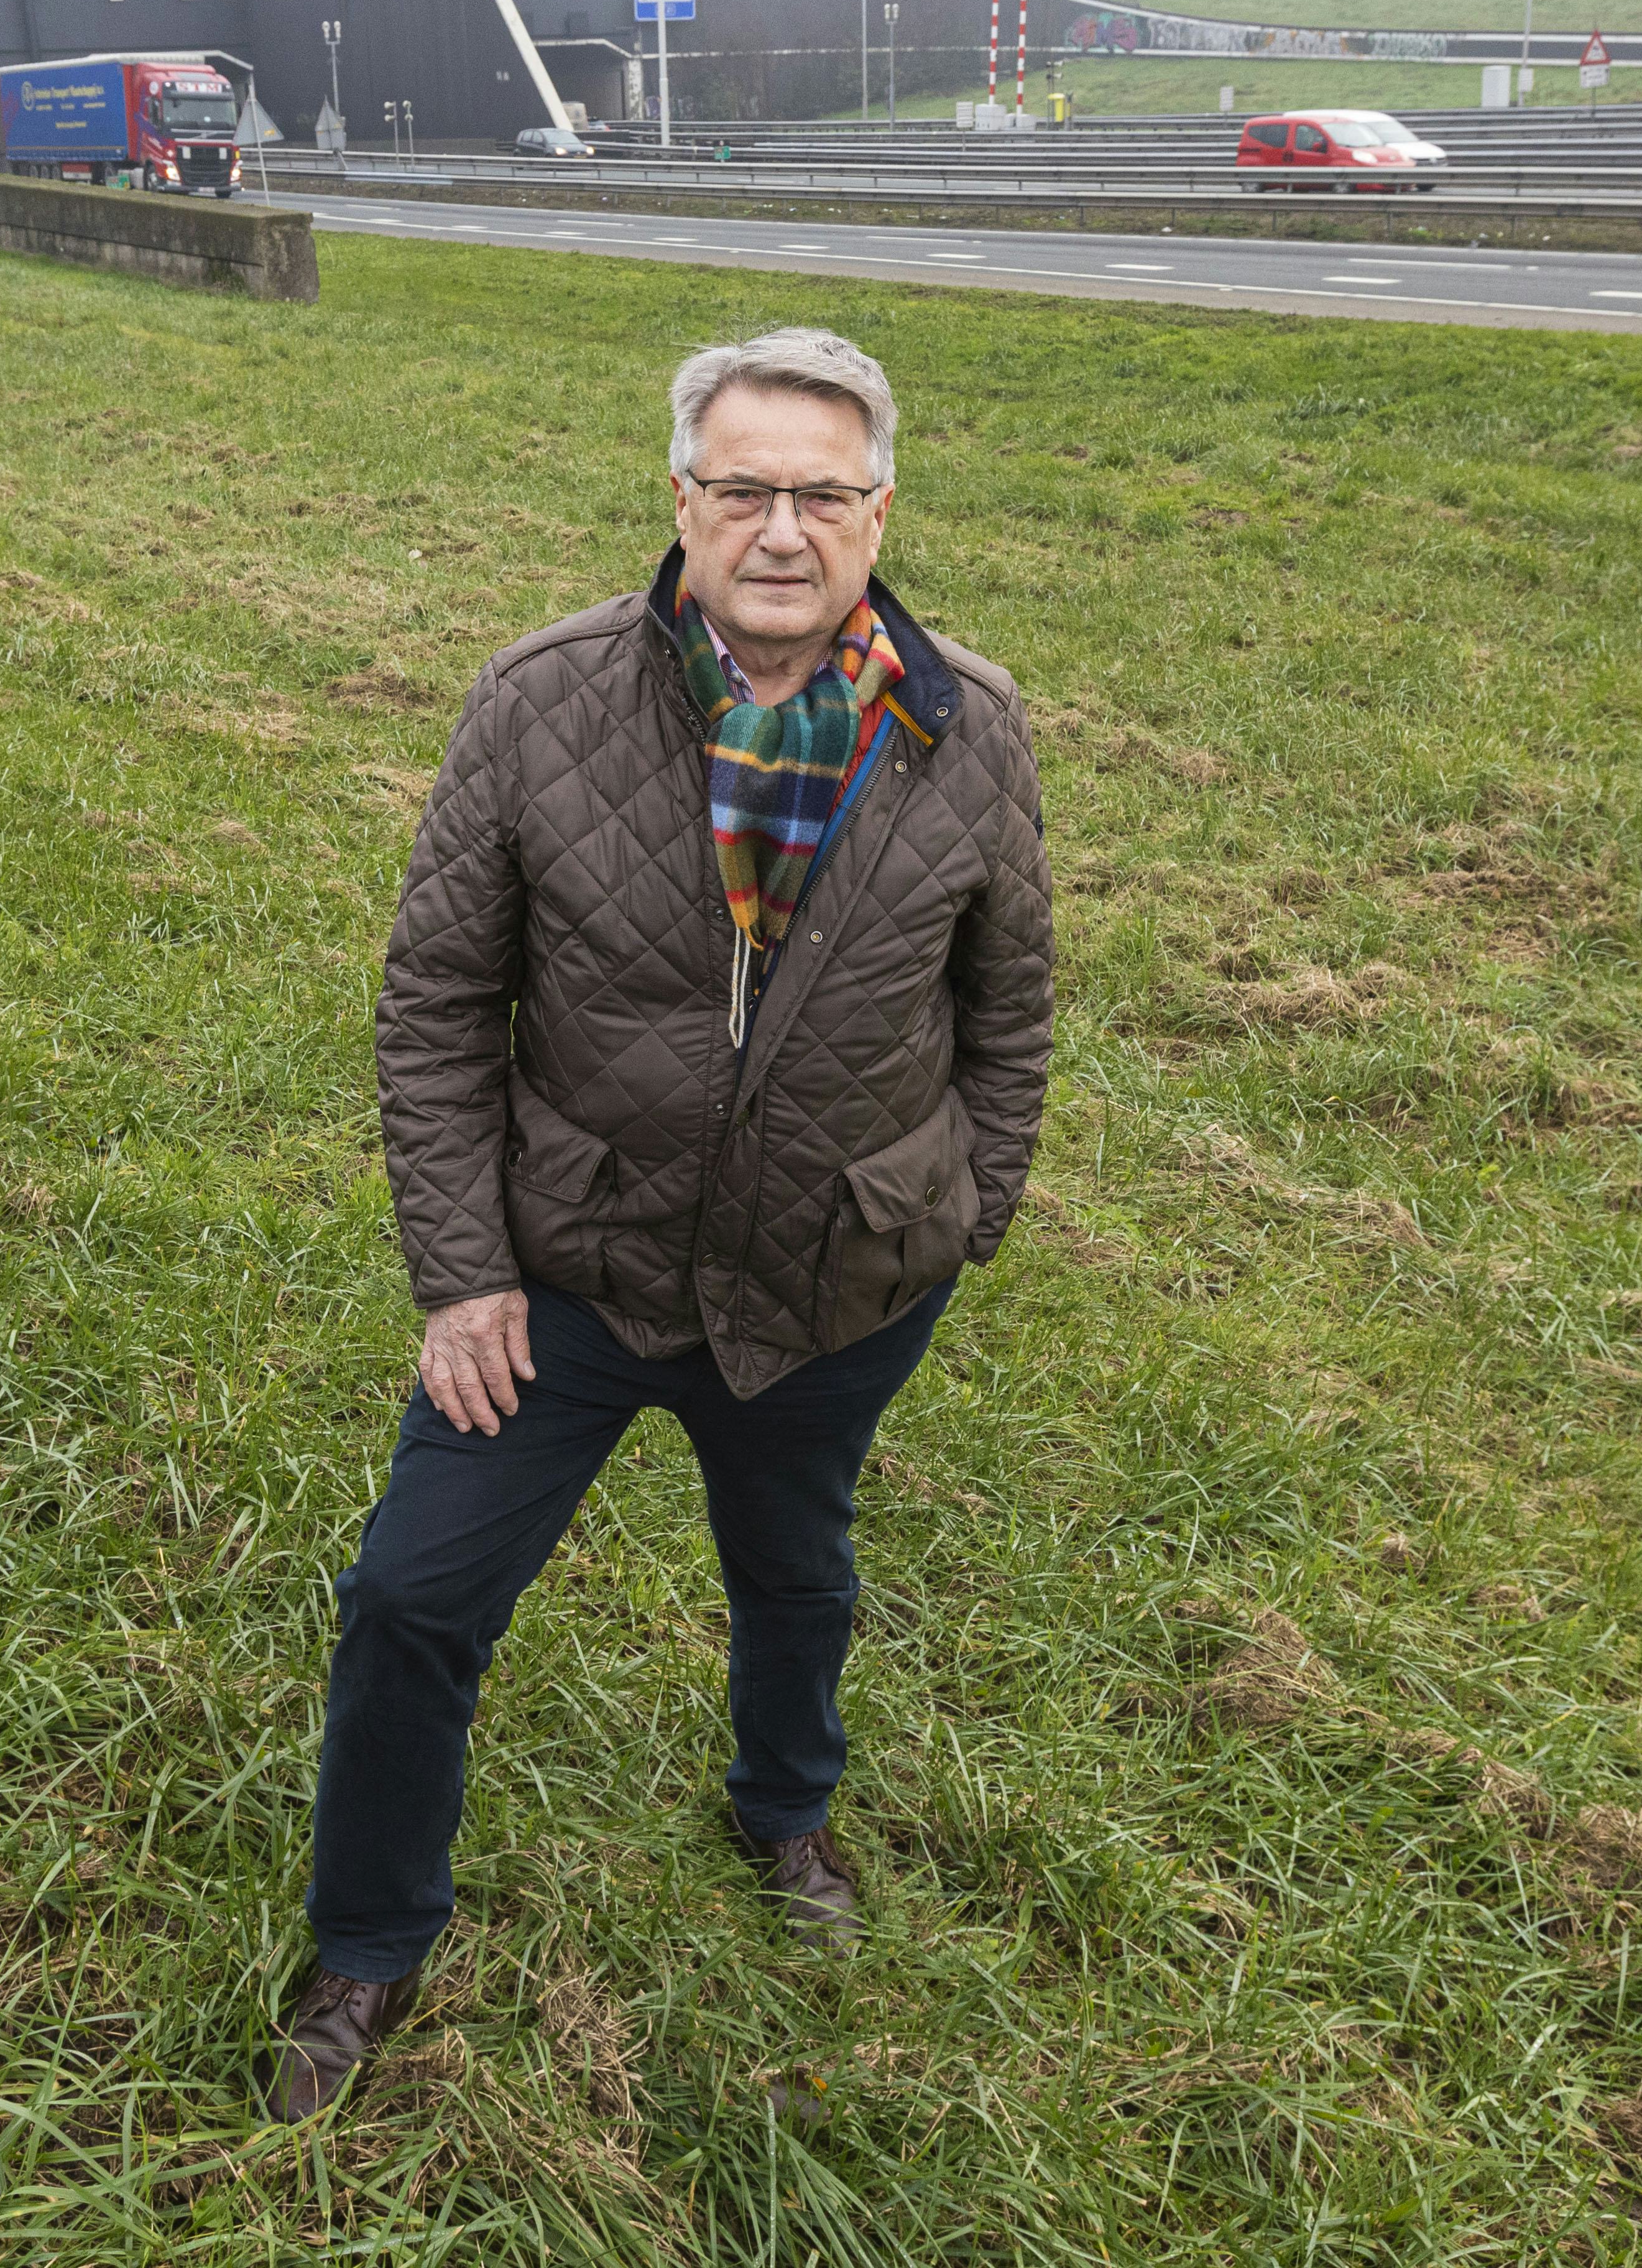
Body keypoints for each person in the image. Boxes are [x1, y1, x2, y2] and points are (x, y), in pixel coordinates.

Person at [265, 326, 1055, 2122]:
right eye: (746, 487)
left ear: (879, 510)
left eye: (825, 492)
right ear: (682, 501)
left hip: (834, 1278)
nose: (785, 527)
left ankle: (784, 1814)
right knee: (411, 1595)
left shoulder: (970, 721)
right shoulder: (540, 698)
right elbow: (439, 1003)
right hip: (573, 1274)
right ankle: (370, 1943)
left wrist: (965, 1209)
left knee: (798, 1571)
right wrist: (465, 1272)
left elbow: (1007, 1003)